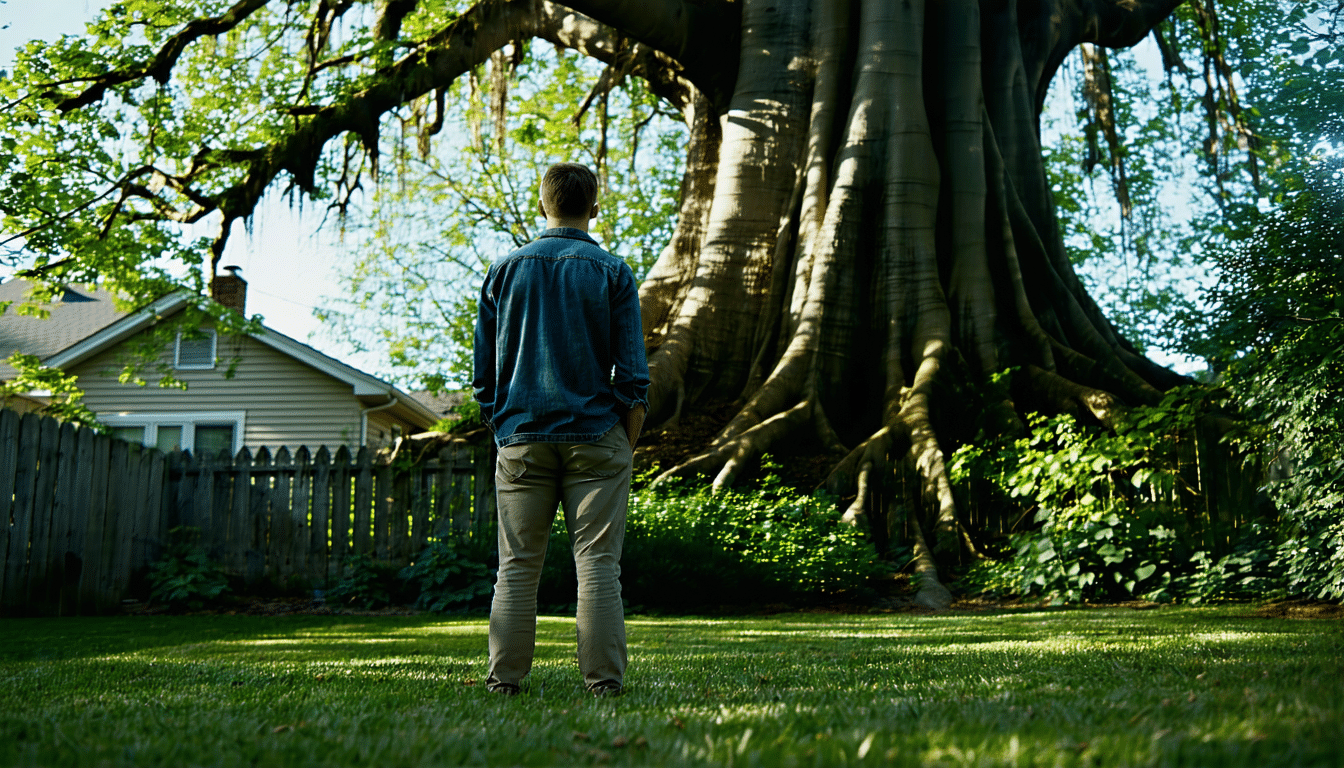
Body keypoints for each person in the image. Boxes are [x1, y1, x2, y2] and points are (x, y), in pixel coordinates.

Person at [472, 162, 650, 698]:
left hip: (522, 437)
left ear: (542, 203)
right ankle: (604, 684)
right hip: (597, 436)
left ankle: (504, 681)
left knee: (517, 567)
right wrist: (624, 438)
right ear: (594, 206)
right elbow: (634, 377)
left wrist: (504, 427)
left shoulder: (503, 271)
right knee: (598, 565)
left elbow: (484, 379)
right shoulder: (612, 271)